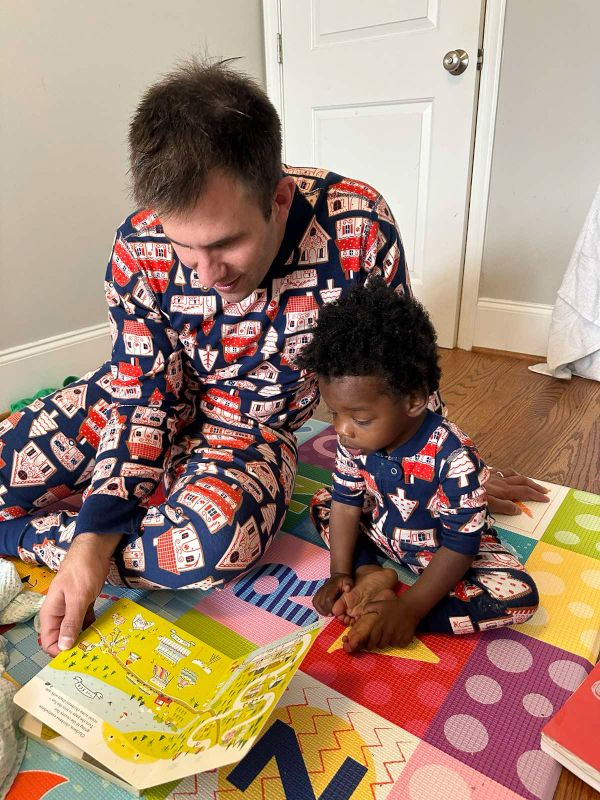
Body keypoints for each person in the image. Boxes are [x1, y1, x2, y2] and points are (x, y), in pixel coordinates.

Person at [0, 58, 548, 658]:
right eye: (183, 247)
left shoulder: (357, 227)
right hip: (138, 398)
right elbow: (141, 396)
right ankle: (91, 524)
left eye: (225, 243)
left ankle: (28, 530)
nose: (207, 275)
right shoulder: (138, 245)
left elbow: (396, 366)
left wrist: (440, 462)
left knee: (209, 547)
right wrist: (91, 541)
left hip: (250, 430)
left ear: (280, 198)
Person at [297, 279, 540, 653]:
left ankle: (402, 612)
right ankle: (369, 573)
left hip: (445, 551)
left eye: (359, 418)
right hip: (382, 534)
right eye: (335, 413)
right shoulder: (354, 442)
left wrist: (411, 609)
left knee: (519, 597)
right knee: (324, 501)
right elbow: (346, 503)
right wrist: (340, 573)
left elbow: (462, 542)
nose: (341, 429)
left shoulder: (454, 456)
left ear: (413, 400)